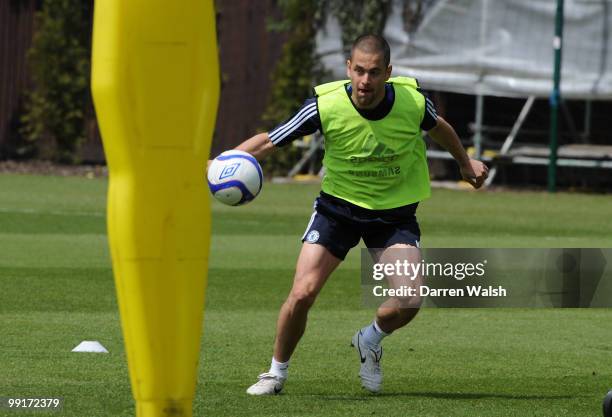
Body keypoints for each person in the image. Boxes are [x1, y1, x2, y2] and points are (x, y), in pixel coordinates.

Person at [219, 34, 488, 395]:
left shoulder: (412, 102)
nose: (365, 81)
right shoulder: (324, 105)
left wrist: (464, 162)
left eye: (374, 72)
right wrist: (223, 163)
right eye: (359, 71)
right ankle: (275, 373)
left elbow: (441, 129)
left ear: (388, 73)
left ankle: (370, 339)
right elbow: (270, 141)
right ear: (348, 68)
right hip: (337, 211)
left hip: (393, 216)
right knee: (302, 293)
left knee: (410, 299)